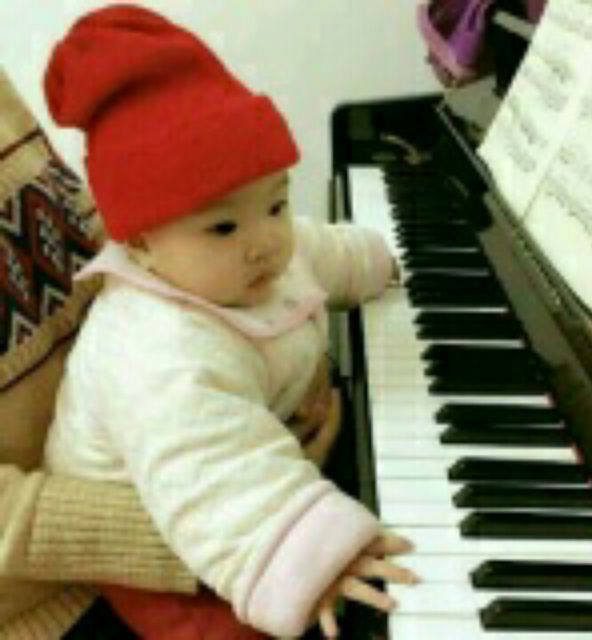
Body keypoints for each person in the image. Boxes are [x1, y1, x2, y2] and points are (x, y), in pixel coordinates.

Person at [42, 5, 419, 639]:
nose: (265, 241)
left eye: (276, 202)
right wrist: (312, 559)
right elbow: (212, 473)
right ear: (140, 243)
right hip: (173, 525)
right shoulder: (155, 346)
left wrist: (388, 263)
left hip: (244, 461)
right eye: (223, 226)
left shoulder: (262, 255)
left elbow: (325, 252)